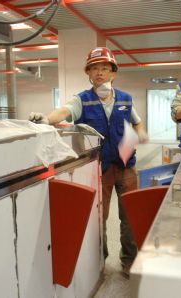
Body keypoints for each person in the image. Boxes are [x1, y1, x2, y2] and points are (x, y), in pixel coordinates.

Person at [29, 47, 148, 276]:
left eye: (104, 68)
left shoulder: (125, 99)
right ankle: (99, 263)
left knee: (130, 217)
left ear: (113, 73)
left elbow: (137, 122)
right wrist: (47, 119)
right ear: (89, 74)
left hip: (126, 167)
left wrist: (140, 133)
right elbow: (64, 111)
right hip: (99, 169)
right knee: (99, 220)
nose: (99, 73)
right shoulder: (82, 100)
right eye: (94, 69)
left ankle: (129, 263)